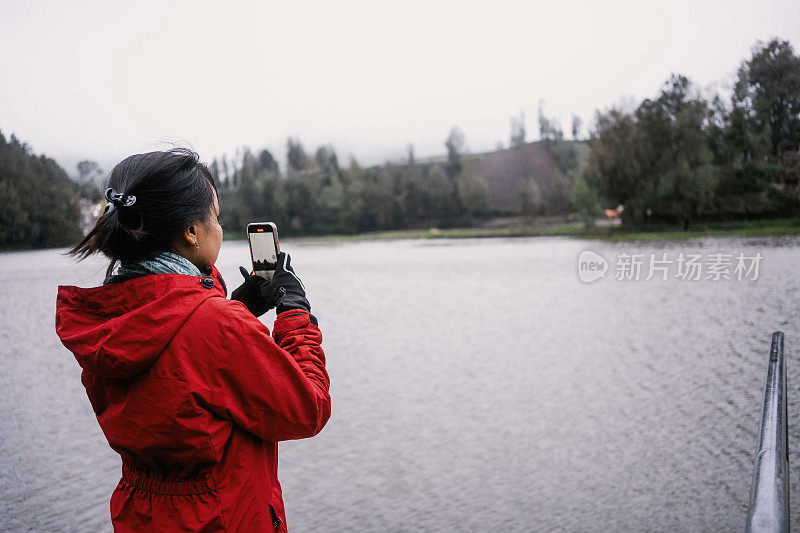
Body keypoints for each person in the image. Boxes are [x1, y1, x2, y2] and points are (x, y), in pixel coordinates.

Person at [55, 148, 330, 532]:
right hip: (224, 519)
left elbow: (179, 374)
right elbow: (309, 408)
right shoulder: (215, 326)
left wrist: (239, 307)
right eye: (215, 217)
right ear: (190, 231)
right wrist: (296, 311)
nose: (219, 227)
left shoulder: (109, 315)